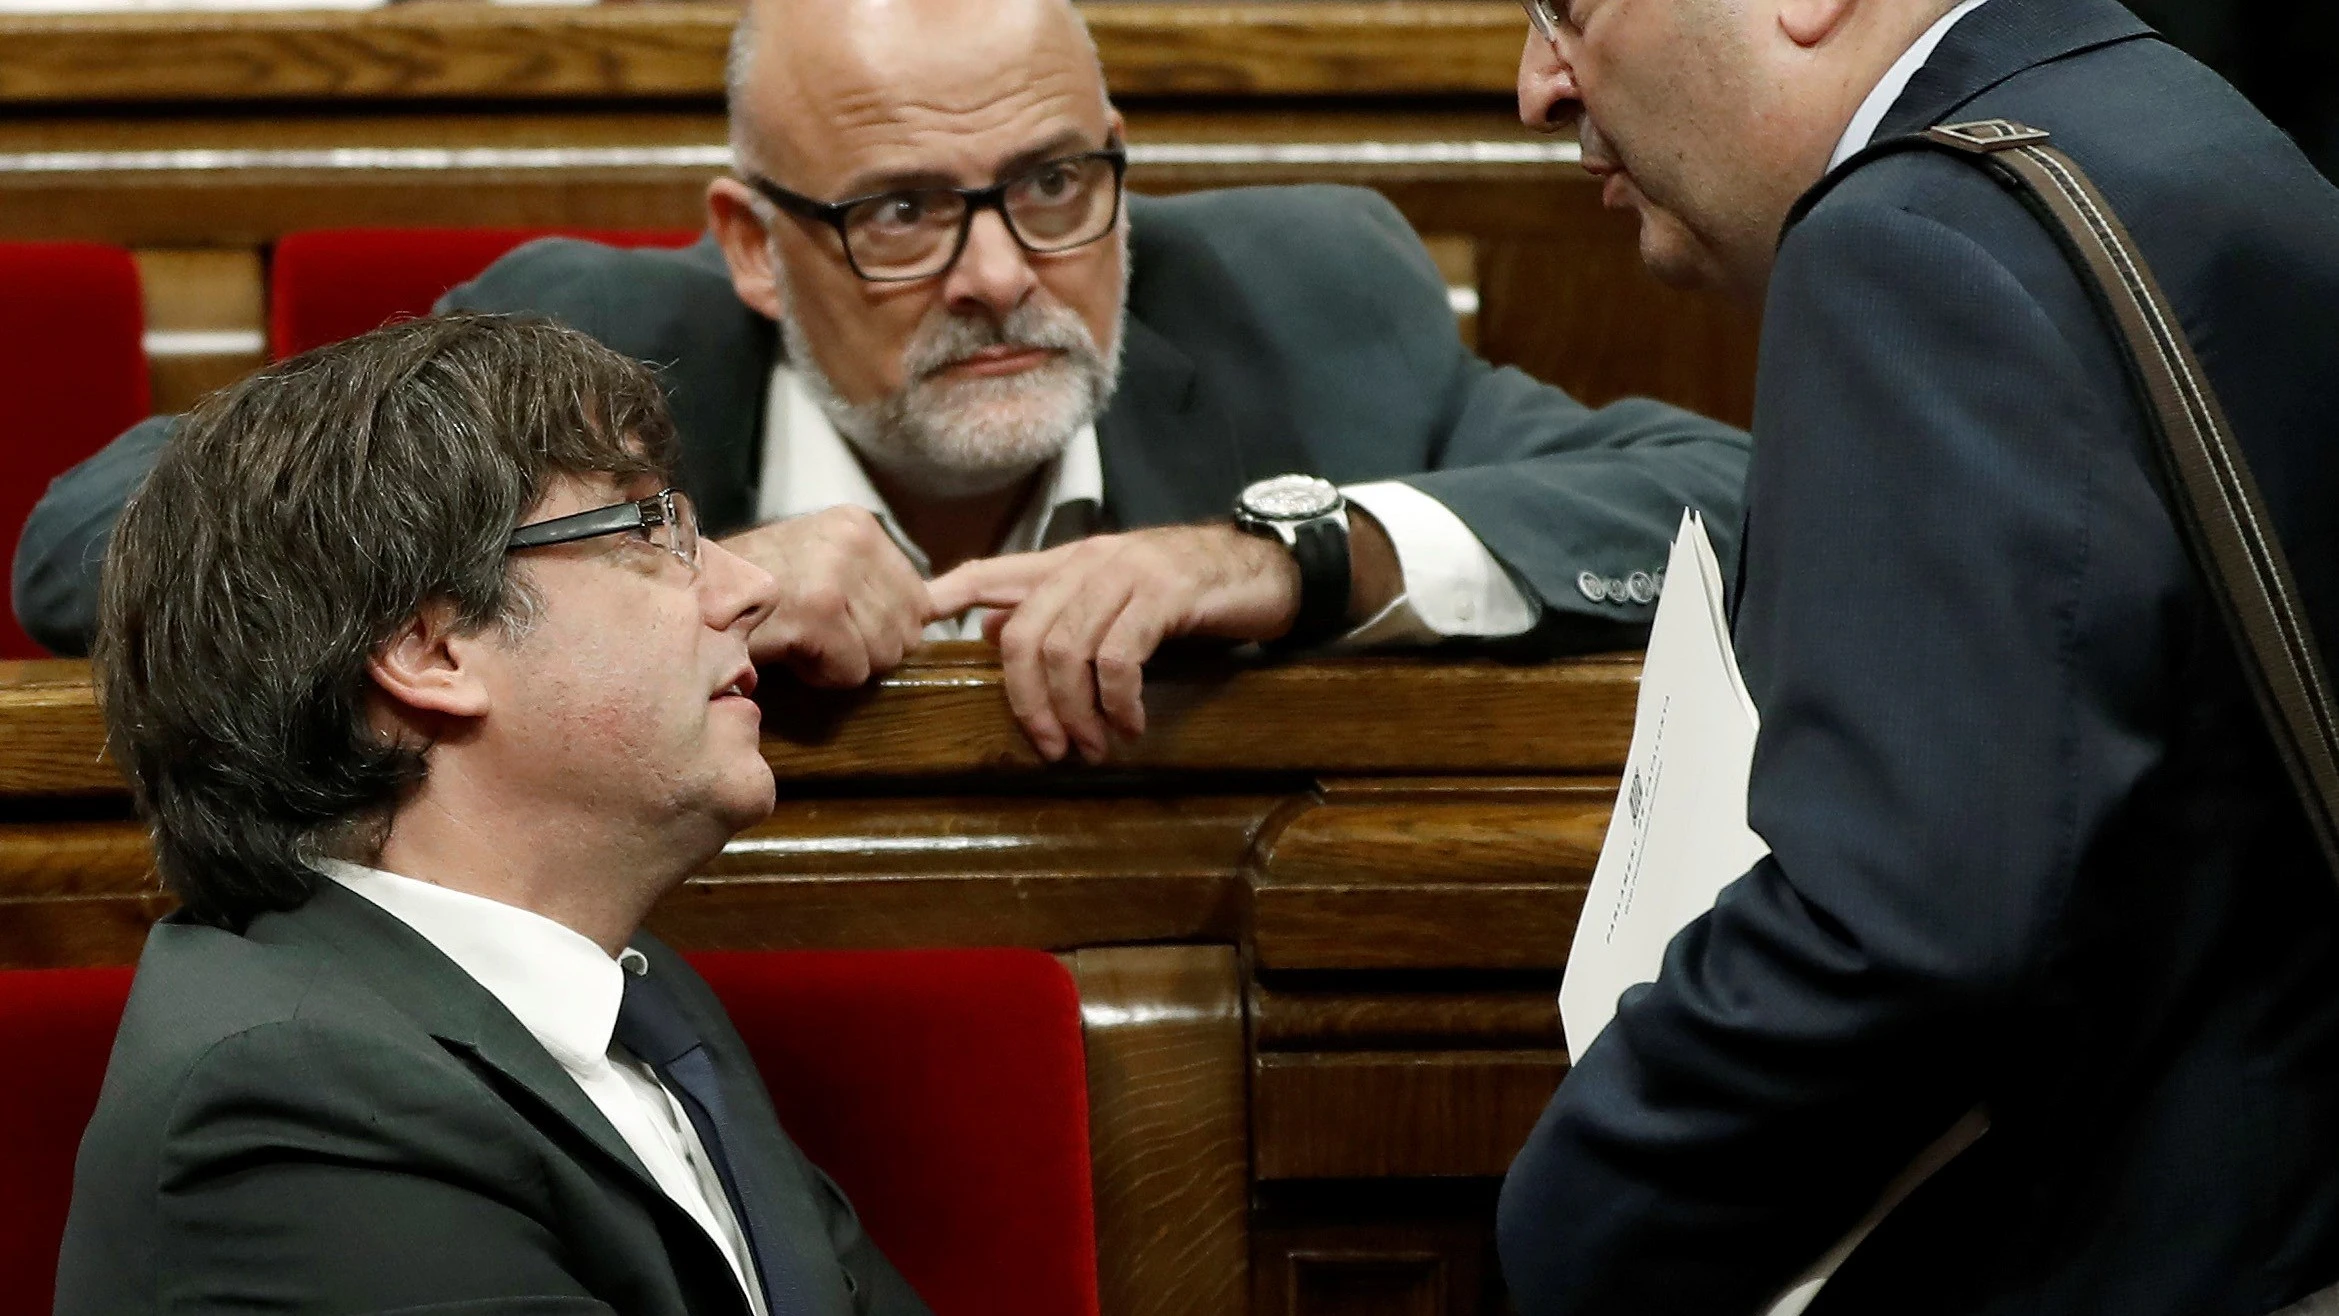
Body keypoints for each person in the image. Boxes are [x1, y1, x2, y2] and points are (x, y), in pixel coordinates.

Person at [12, 0, 1749, 765]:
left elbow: (1737, 498)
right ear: (754, 246)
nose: (1001, 274)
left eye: (1057, 189)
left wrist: (1286, 552)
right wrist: (678, 578)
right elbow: (93, 543)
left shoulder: (1302, 301)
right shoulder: (586, 352)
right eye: (903, 212)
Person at [1495, 0, 2339, 1312]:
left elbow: (1890, 934)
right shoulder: (2174, 122)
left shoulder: (1908, 239)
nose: (1536, 86)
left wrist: (1565, 1229)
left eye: (1571, 9)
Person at [56, 314, 930, 1316]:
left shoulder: (643, 1002)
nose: (749, 585)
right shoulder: (291, 1097)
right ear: (432, 650)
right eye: (649, 530)